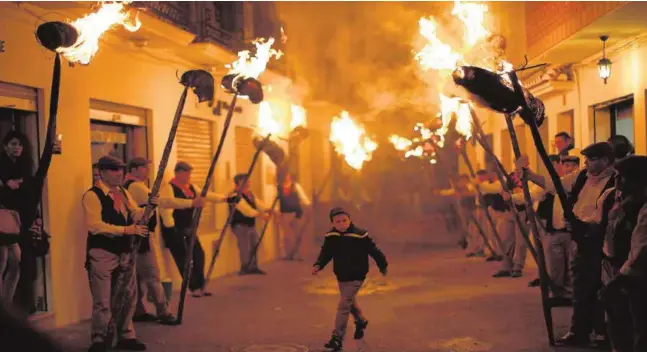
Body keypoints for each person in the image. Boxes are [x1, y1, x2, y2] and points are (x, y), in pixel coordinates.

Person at [519, 142, 616, 347]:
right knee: (581, 287)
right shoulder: (581, 177)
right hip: (580, 242)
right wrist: (529, 174)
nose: (587, 163)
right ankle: (579, 331)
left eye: (592, 159)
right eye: (587, 159)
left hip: (603, 245)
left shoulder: (615, 182)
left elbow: (605, 217)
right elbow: (555, 185)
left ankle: (601, 332)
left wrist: (585, 227)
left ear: (606, 161)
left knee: (600, 289)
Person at [82, 155, 155, 352]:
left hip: (125, 252)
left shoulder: (122, 192)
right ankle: (99, 339)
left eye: (121, 170)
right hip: (102, 253)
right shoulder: (92, 195)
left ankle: (126, 335)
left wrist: (150, 207)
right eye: (114, 170)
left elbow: (135, 214)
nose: (119, 174)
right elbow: (95, 226)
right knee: (103, 300)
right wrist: (127, 230)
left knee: (127, 296)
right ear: (102, 172)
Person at [312, 207, 388, 351]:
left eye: (344, 220)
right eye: (337, 221)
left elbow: (374, 251)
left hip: (357, 275)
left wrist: (382, 265)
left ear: (350, 220)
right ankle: (361, 321)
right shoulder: (331, 236)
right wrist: (318, 265)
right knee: (349, 301)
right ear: (333, 223)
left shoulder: (359, 235)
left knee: (343, 305)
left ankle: (337, 338)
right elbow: (326, 253)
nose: (341, 224)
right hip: (341, 275)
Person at [505, 155, 573, 302]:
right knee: (555, 264)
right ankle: (557, 293)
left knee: (571, 266)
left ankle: (570, 294)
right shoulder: (548, 184)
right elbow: (531, 195)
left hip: (571, 232)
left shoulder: (575, 182)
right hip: (552, 230)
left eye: (570, 166)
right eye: (566, 165)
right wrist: (512, 197)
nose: (568, 168)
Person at [597, 155, 647, 352]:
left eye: (621, 177)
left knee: (639, 328)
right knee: (618, 323)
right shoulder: (616, 198)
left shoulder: (642, 207)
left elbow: (641, 250)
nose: (616, 181)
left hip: (635, 277)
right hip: (616, 268)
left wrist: (619, 279)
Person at [159, 161, 226, 298]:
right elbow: (166, 208)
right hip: (175, 230)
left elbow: (207, 195)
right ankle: (193, 287)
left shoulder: (191, 187)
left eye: (190, 172)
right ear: (178, 173)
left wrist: (225, 199)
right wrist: (171, 229)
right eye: (186, 172)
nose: (189, 175)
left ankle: (201, 285)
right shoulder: (169, 187)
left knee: (199, 255)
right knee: (184, 260)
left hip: (189, 228)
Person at [122, 157, 176, 324]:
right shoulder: (136, 186)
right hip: (142, 237)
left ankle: (138, 310)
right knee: (152, 275)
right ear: (135, 169)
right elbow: (162, 202)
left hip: (132, 236)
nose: (147, 171)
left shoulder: (128, 186)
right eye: (144, 168)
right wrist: (191, 203)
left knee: (137, 277)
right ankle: (163, 311)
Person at [0, 131, 34, 304]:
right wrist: (7, 187)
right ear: (5, 146)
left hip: (14, 220)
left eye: (20, 144)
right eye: (13, 144)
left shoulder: (24, 167)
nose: (17, 148)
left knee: (16, 260)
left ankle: (6, 302)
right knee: (4, 259)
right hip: (3, 217)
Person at [229, 173, 273, 275]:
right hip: (239, 225)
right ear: (237, 184)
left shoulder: (250, 194)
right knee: (244, 246)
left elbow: (258, 204)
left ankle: (253, 266)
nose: (247, 183)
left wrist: (269, 209)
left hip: (250, 224)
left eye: (248, 180)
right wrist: (261, 215)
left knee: (254, 244)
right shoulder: (234, 196)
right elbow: (246, 210)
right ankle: (244, 268)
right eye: (244, 181)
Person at [276, 172, 311, 260]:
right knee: (285, 235)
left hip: (295, 213)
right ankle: (286, 254)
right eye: (284, 175)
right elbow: (276, 200)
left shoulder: (296, 186)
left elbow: (303, 197)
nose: (286, 177)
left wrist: (308, 205)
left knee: (296, 234)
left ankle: (297, 254)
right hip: (284, 213)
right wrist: (277, 211)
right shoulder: (279, 187)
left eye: (287, 175)